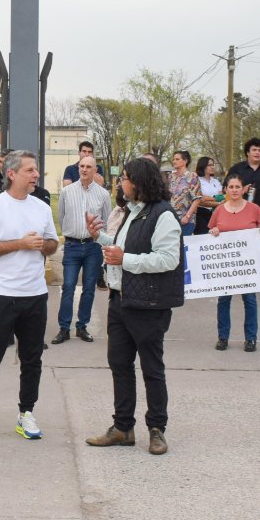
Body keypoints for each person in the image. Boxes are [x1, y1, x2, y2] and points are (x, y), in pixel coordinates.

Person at [84, 158, 183, 456]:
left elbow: (168, 259)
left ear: (139, 182)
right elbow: (123, 246)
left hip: (148, 305)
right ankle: (123, 428)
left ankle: (157, 429)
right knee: (120, 365)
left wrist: (124, 259)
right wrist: (99, 237)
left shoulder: (163, 215)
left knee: (152, 369)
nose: (121, 183)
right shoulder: (133, 211)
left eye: (125, 178)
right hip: (120, 300)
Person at [0, 150, 58, 441]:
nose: (36, 175)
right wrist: (20, 243)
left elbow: (53, 244)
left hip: (35, 294)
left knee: (32, 359)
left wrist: (43, 245)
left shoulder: (41, 207)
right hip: (1, 294)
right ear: (11, 174)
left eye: (36, 170)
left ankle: (26, 413)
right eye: (30, 170)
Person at [52, 155, 109, 345]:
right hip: (72, 246)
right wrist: (71, 234)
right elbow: (62, 217)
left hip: (93, 247)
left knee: (89, 288)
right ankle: (64, 328)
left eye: (88, 167)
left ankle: (82, 326)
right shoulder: (67, 192)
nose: (84, 169)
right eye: (81, 166)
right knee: (68, 286)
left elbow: (106, 222)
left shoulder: (103, 194)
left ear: (95, 170)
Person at [208, 174, 260, 351]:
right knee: (223, 301)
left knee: (250, 301)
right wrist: (214, 231)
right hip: (226, 264)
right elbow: (211, 232)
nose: (234, 190)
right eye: (231, 187)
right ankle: (223, 337)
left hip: (247, 264)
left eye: (237, 187)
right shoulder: (219, 210)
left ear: (243, 189)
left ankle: (251, 338)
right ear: (226, 189)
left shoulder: (254, 209)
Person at [227, 137, 260, 216]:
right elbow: (225, 190)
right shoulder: (236, 169)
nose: (257, 152)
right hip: (237, 214)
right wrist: (241, 190)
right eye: (254, 150)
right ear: (248, 152)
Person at [167, 150, 198, 237]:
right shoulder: (171, 176)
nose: (174, 161)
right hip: (171, 219)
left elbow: (197, 199)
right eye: (173, 159)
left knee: (183, 244)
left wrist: (187, 216)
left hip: (185, 220)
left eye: (177, 159)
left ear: (185, 161)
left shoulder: (192, 176)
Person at [191, 155, 223, 236]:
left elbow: (221, 197)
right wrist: (216, 200)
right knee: (203, 238)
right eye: (210, 165)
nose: (212, 167)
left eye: (213, 165)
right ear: (203, 166)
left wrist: (207, 198)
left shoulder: (215, 181)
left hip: (216, 214)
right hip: (201, 215)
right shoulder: (196, 181)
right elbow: (199, 200)